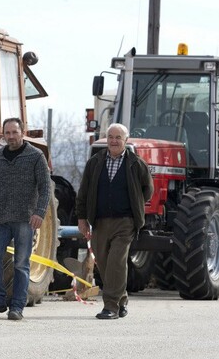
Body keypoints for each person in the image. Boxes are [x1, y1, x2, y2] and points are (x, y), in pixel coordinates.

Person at [76, 123, 153, 320]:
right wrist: (82, 218)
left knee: (116, 262)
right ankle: (122, 299)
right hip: (100, 221)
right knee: (103, 262)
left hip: (125, 222)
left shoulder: (136, 164)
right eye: (111, 137)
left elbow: (147, 189)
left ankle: (111, 307)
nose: (114, 141)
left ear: (126, 141)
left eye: (118, 137)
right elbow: (83, 192)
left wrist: (135, 203)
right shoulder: (95, 163)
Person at [0, 117, 51, 321]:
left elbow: (45, 188)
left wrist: (40, 212)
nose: (11, 137)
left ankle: (17, 306)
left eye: (14, 132)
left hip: (25, 219)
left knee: (21, 263)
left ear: (22, 131)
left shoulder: (36, 157)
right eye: (7, 133)